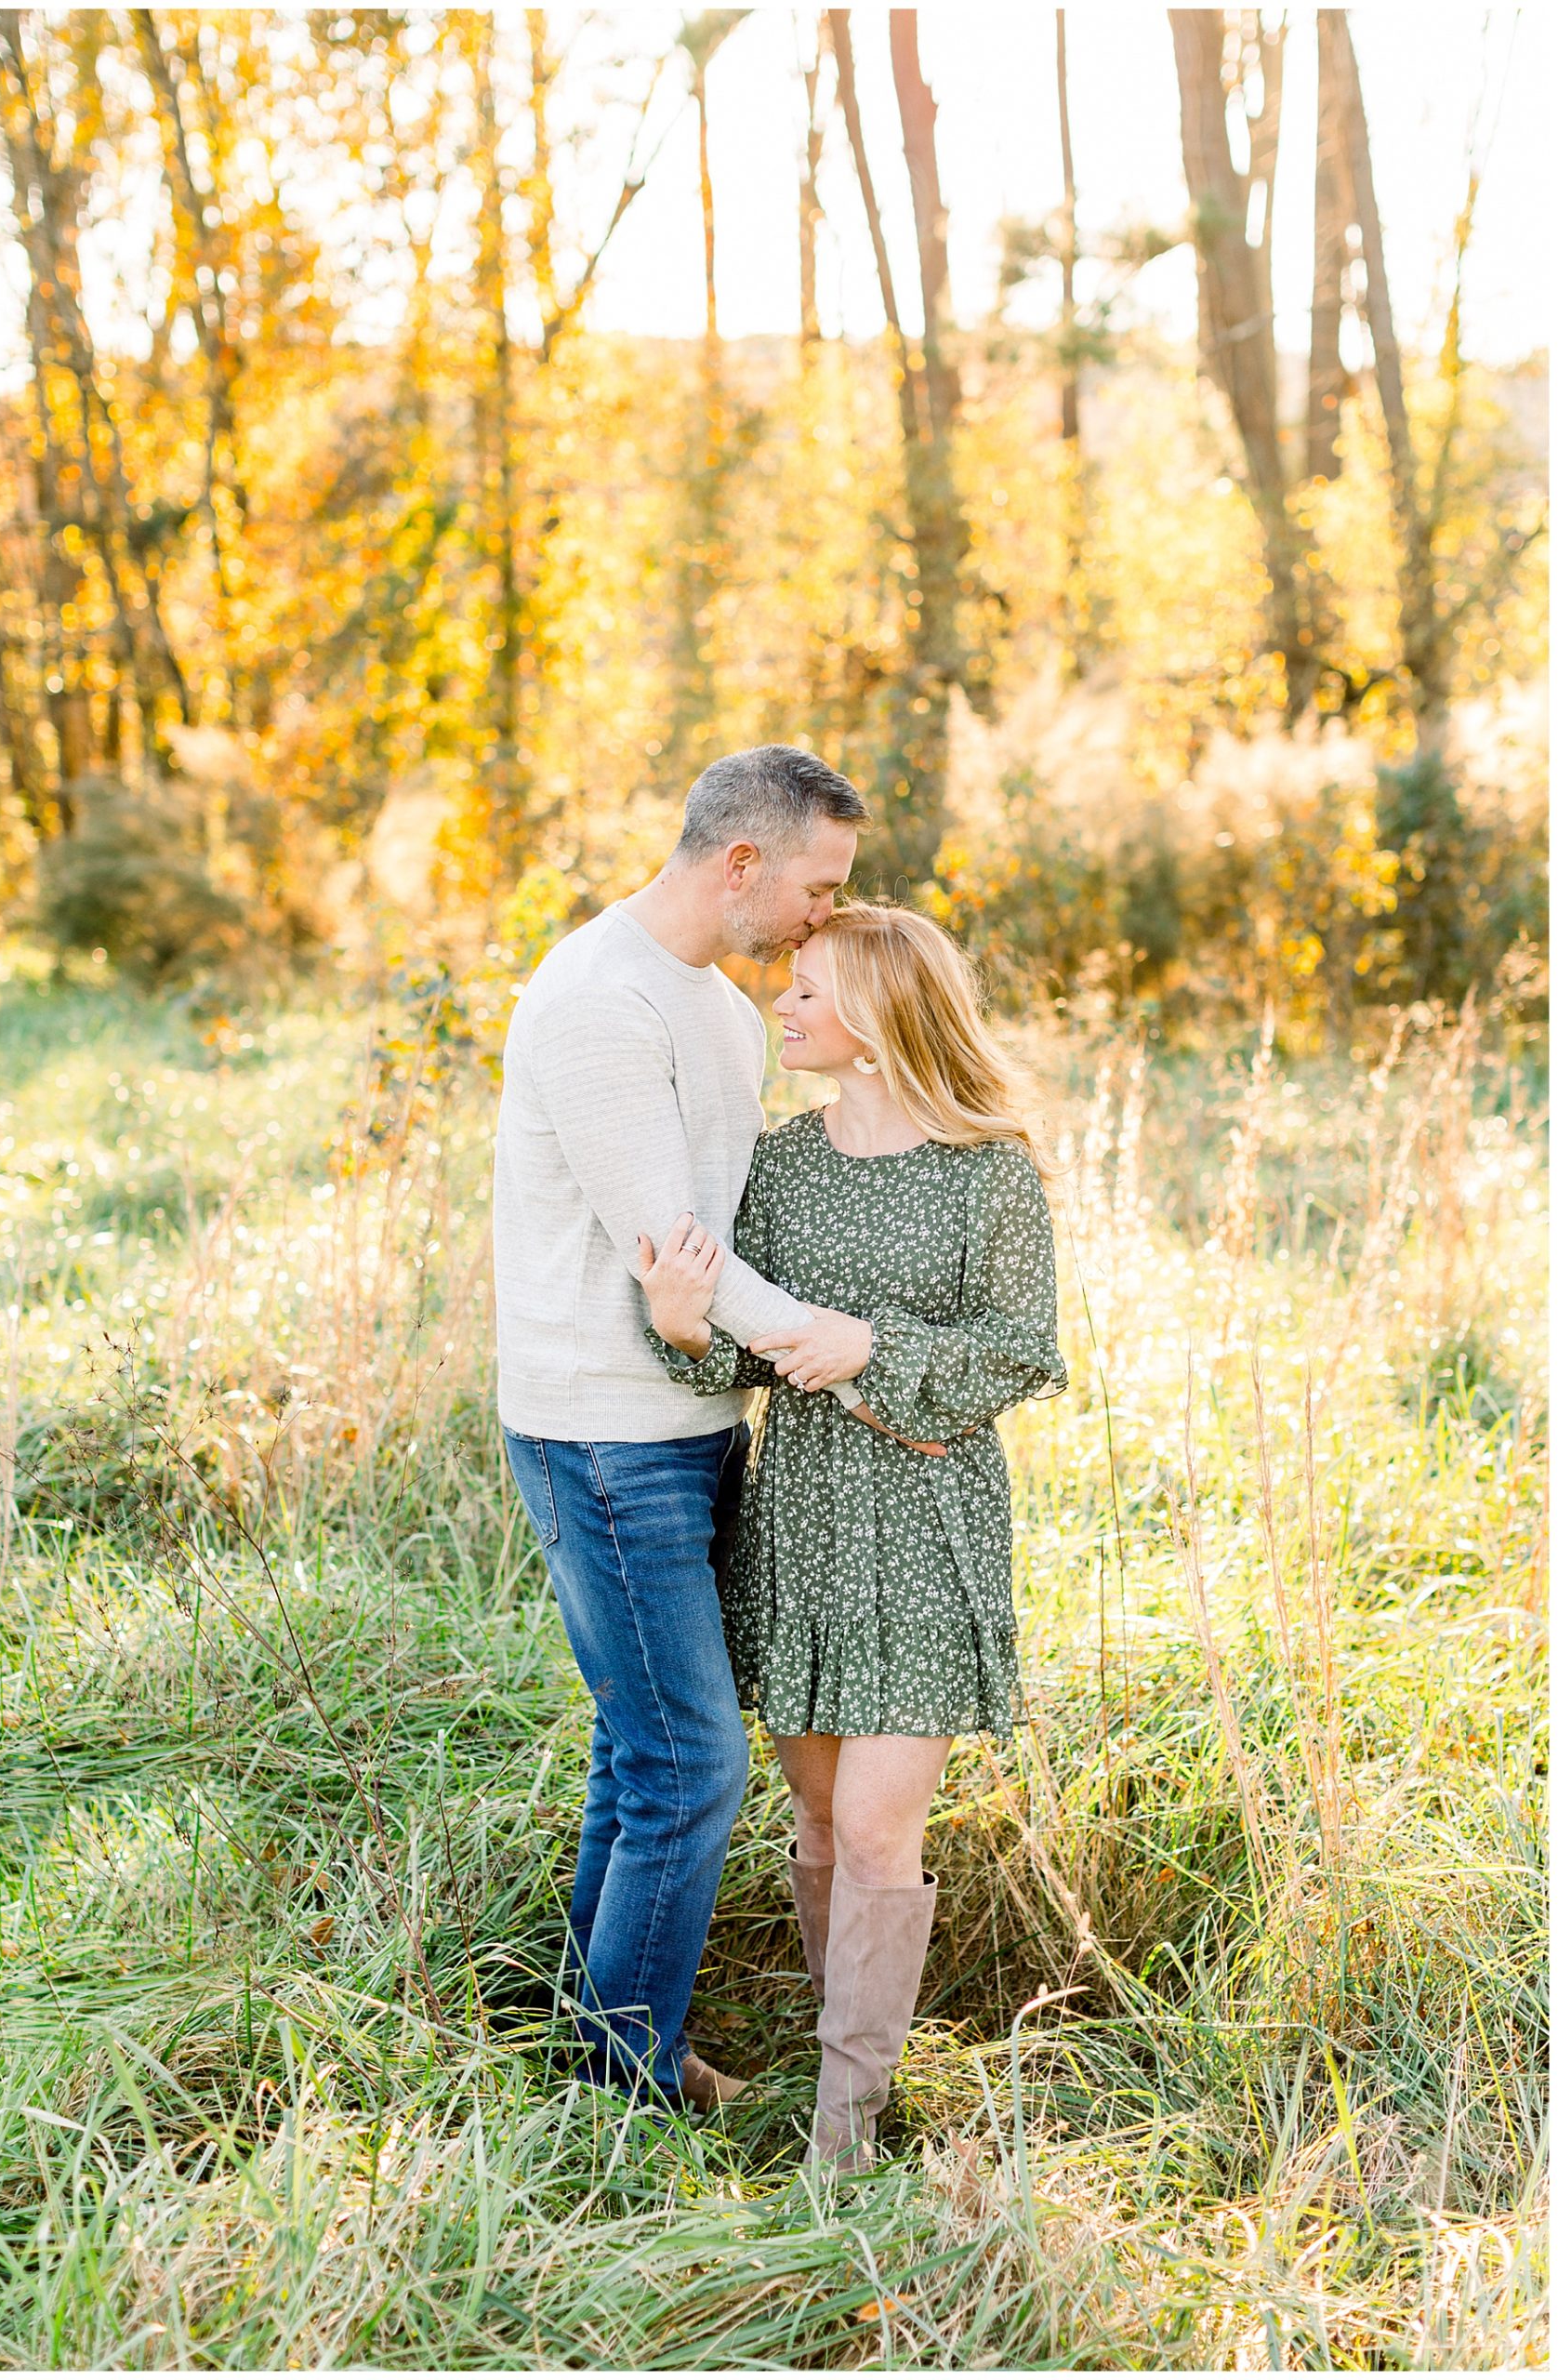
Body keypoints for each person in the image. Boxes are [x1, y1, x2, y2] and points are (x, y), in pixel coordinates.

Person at [637, 901, 1068, 2169]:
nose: (783, 1007)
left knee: (880, 1828)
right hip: (806, 1514)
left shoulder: (987, 1168)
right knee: (820, 1823)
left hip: (929, 1525)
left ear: (878, 1013)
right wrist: (677, 1323)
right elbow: (734, 1351)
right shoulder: (782, 1163)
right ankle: (846, 2044)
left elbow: (1020, 1352)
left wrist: (871, 1348)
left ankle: (847, 2129)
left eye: (808, 990)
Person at [492, 745, 879, 2111]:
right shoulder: (600, 1001)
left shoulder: (715, 1007)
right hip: (601, 1429)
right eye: (819, 886)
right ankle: (628, 2083)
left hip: (694, 1414)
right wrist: (834, 1352)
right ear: (740, 864)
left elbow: (728, 1231)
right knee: (690, 1757)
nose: (825, 914)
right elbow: (682, 1256)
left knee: (641, 1745)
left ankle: (597, 2035)